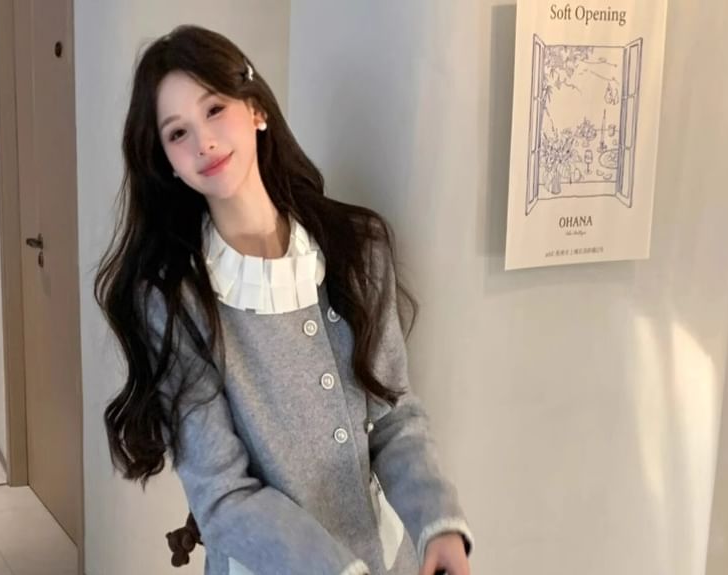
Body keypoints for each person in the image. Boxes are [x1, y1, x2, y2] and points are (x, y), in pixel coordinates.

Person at [95, 24, 473, 575]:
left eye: (215, 109)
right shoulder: (176, 302)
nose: (203, 142)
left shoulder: (356, 247)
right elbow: (223, 497)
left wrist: (438, 522)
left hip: (386, 558)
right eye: (177, 133)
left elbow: (393, 417)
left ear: (256, 109)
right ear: (167, 162)